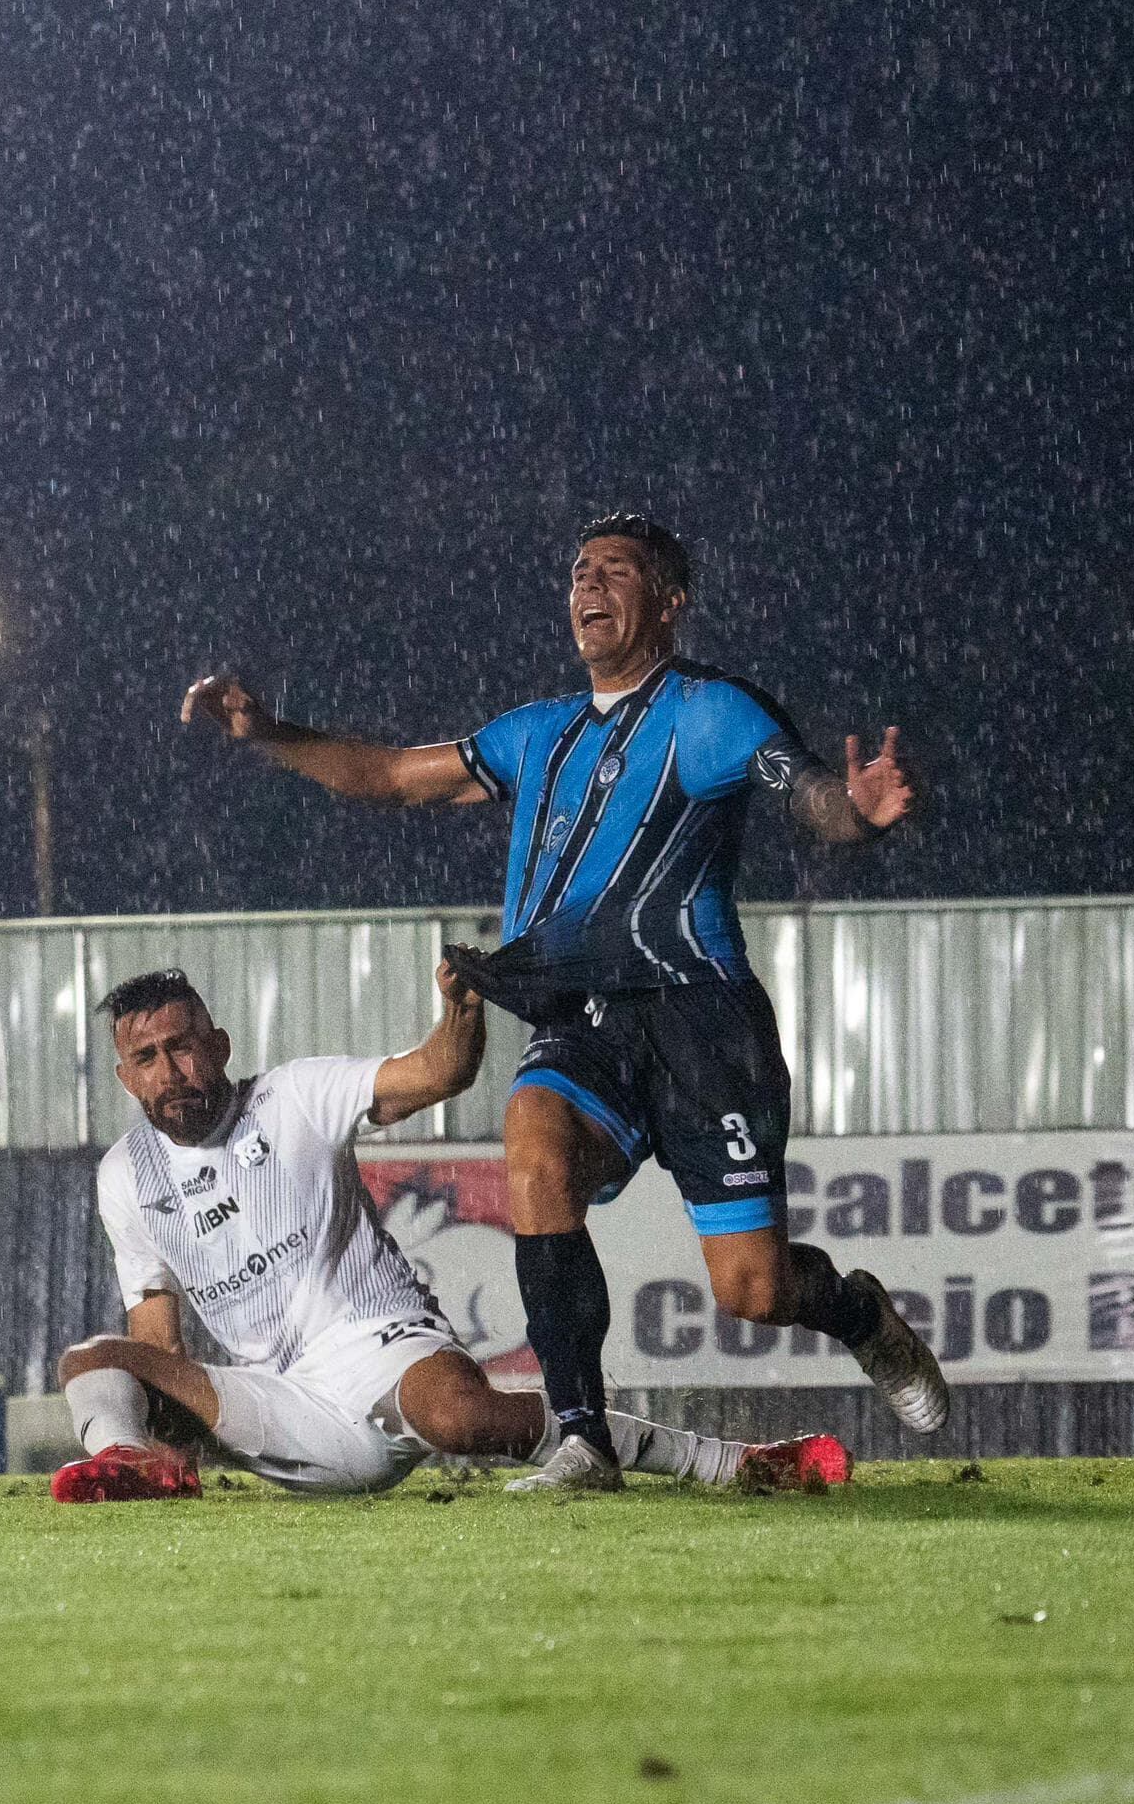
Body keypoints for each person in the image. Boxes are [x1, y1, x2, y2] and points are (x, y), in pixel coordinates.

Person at [180, 513, 947, 1491]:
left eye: (615, 572)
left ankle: (854, 1312)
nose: (588, 586)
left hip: (702, 1026)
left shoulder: (711, 713)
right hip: (582, 1020)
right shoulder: (533, 734)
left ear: (667, 603)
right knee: (531, 1152)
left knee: (752, 1289)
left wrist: (857, 814)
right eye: (579, 571)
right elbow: (384, 777)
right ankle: (581, 1436)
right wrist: (269, 733)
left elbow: (800, 792)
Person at [50, 968, 846, 1503]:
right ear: (127, 1077)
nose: (170, 1069)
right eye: (147, 1057)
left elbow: (437, 1073)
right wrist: (167, 1432)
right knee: (92, 1361)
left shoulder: (291, 1098)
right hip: (278, 1400)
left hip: (380, 1345)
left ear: (216, 1046)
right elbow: (157, 1336)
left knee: (464, 1419)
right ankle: (130, 1466)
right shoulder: (126, 1176)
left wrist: (461, 1013)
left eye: (183, 1046)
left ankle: (736, 1462)